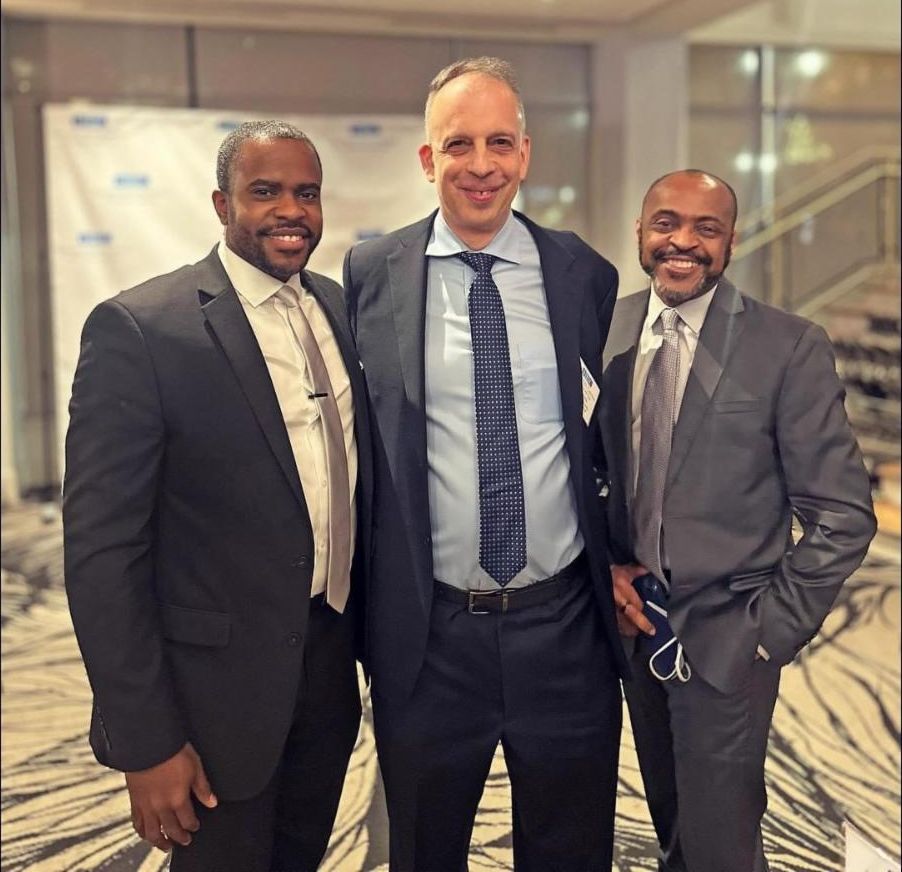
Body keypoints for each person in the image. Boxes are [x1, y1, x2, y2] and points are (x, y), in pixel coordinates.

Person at [342, 56, 627, 871]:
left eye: (499, 142)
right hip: (430, 636)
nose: (481, 165)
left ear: (525, 154)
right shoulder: (371, 275)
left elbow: (603, 436)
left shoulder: (582, 273)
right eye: (458, 144)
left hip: (563, 630)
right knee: (424, 851)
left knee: (571, 851)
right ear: (427, 158)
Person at [63, 120, 371, 871]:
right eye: (265, 191)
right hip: (212, 699)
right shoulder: (142, 330)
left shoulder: (339, 308)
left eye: (307, 193)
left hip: (327, 673)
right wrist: (146, 742)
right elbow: (103, 555)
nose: (290, 210)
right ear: (222, 203)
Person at [599, 169, 877, 871]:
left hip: (730, 637)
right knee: (670, 822)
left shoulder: (787, 345)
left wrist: (769, 631)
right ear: (639, 231)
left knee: (721, 842)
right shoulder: (606, 327)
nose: (683, 242)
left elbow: (843, 515)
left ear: (732, 241)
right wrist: (606, 567)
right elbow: (594, 471)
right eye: (666, 223)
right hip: (634, 627)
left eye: (707, 228)